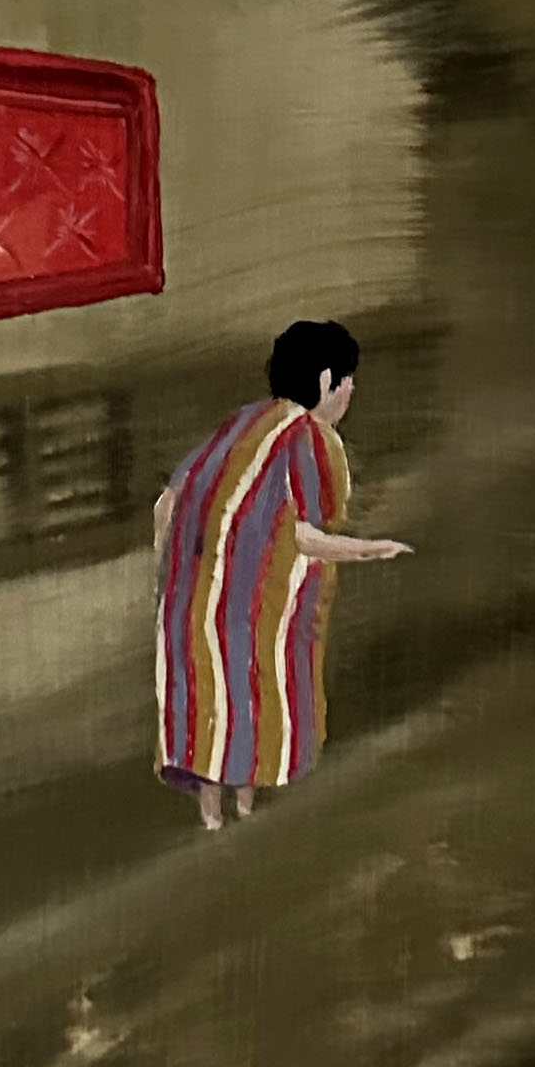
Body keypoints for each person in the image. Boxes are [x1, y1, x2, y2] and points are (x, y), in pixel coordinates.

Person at [152, 318, 412, 830]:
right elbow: (304, 536)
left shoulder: (241, 422)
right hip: (250, 608)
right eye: (348, 381)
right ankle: (246, 815)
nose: (351, 392)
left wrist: (171, 575)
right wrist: (371, 550)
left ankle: (212, 822)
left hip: (188, 602)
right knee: (253, 698)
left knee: (208, 706)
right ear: (326, 381)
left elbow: (165, 505)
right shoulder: (310, 439)